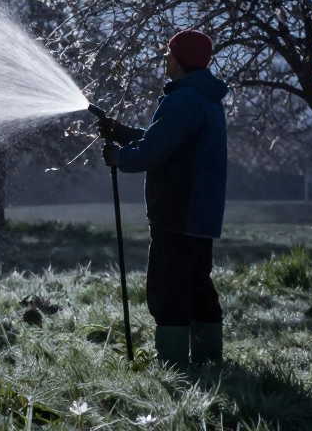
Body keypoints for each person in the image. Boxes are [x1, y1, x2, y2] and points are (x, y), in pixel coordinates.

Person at [98, 29, 229, 368]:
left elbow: (153, 151)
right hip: (200, 215)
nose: (165, 61)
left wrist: (119, 157)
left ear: (181, 61)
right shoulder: (204, 98)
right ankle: (208, 359)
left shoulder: (183, 99)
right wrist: (124, 133)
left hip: (177, 213)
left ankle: (172, 365)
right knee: (199, 286)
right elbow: (168, 140)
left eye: (170, 55)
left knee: (167, 290)